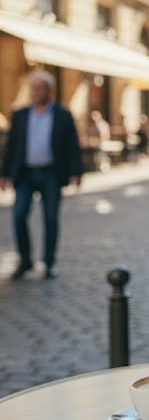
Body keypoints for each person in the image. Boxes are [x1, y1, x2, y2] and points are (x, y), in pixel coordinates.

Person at [0, 71, 84, 280]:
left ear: (49, 91)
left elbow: (72, 146)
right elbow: (11, 148)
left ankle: (49, 262)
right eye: (33, 88)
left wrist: (76, 172)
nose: (35, 92)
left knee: (51, 219)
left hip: (51, 174)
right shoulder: (20, 115)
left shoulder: (62, 115)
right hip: (25, 174)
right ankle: (25, 260)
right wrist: (4, 174)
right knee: (19, 215)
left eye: (39, 88)